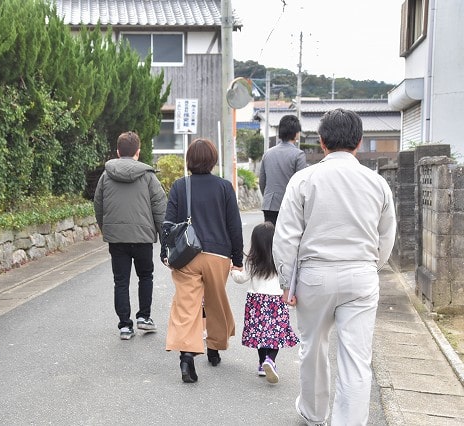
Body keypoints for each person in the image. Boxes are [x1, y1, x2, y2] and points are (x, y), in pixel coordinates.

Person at [273, 109, 396, 425]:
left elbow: (287, 236)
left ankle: (314, 413)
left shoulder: (304, 180)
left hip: (315, 276)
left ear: (322, 141)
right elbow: (386, 236)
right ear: (359, 142)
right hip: (361, 275)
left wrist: (288, 282)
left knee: (313, 348)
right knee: (356, 358)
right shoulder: (377, 183)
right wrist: (370, 265)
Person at [161, 138, 244, 383]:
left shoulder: (179, 186)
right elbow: (234, 227)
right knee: (215, 302)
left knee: (187, 305)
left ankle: (187, 355)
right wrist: (237, 259)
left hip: (187, 255)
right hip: (218, 256)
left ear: (189, 160)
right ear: (213, 160)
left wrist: (165, 252)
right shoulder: (224, 187)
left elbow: (167, 224)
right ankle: (214, 348)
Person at [93, 131, 167, 340]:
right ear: (138, 152)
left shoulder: (106, 176)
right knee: (145, 276)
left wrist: (106, 229)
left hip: (117, 238)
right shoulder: (148, 176)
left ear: (118, 151)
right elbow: (160, 209)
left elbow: (99, 206)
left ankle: (125, 326)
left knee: (121, 281)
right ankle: (144, 317)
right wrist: (165, 240)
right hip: (143, 238)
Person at [231, 221, 299, 384]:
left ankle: (262, 364)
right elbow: (290, 278)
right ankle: (271, 360)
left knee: (259, 334)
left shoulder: (253, 261)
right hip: (277, 300)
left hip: (257, 301)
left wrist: (233, 271)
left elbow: (241, 278)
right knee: (275, 333)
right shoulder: (281, 260)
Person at [258, 114, 307, 225]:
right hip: (290, 206)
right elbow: (302, 184)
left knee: (269, 238)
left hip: (269, 205)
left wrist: (268, 195)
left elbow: (262, 182)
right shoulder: (298, 155)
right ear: (296, 134)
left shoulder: (268, 154)